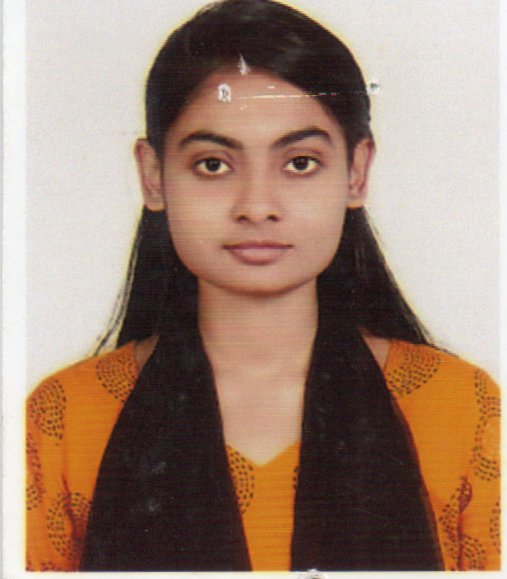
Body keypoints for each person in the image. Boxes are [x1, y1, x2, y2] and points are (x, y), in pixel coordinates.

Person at [26, 0, 500, 572]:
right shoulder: (62, 419)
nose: (256, 206)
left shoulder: (463, 408)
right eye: (213, 164)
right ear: (153, 176)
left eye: (299, 163)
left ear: (356, 172)